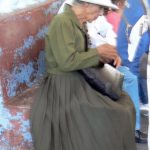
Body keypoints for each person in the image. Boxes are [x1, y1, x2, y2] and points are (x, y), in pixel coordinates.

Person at [30, 0, 136, 150]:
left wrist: (103, 56)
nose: (100, 14)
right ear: (86, 4)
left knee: (125, 103)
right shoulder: (63, 22)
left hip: (78, 78)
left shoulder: (79, 22)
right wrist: (98, 53)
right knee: (116, 112)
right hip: (63, 86)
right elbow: (66, 62)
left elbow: (81, 55)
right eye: (99, 9)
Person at [117, 0, 150, 108]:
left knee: (133, 72)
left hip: (135, 46)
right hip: (131, 45)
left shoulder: (138, 4)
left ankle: (138, 106)